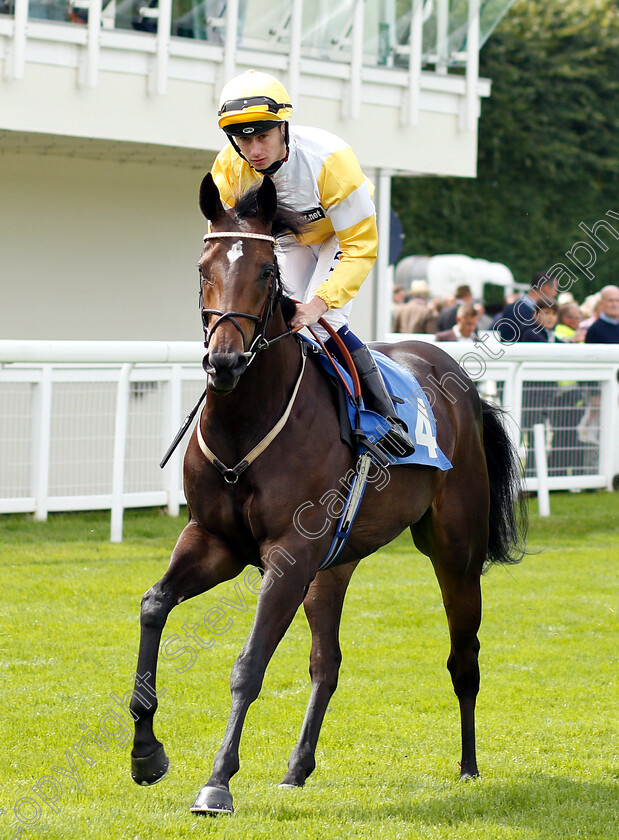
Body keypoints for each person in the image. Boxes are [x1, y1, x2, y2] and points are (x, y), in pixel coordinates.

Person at [211, 69, 415, 455]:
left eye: (263, 136)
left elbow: (360, 247)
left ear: (283, 127)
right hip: (290, 240)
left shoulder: (330, 160)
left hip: (341, 236)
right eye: (243, 139)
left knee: (321, 324)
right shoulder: (227, 168)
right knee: (274, 319)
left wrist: (318, 303)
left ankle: (385, 417)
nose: (254, 150)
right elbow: (226, 242)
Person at [492, 270, 559, 342]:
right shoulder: (513, 310)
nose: (556, 294)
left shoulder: (516, 308)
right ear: (545, 288)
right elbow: (507, 340)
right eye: (555, 289)